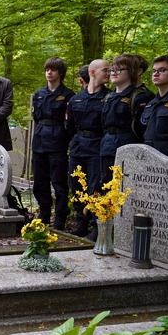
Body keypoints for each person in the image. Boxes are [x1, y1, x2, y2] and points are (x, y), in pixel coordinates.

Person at [66, 58, 110, 238]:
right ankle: (80, 222)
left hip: (97, 147)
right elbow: (69, 126)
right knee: (76, 185)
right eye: (105, 70)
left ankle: (95, 226)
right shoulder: (76, 99)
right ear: (92, 73)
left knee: (95, 186)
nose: (109, 73)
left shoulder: (109, 98)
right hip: (78, 146)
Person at [30, 57, 75, 229]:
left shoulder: (68, 95)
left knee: (59, 182)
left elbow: (70, 122)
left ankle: (60, 217)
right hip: (40, 140)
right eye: (47, 69)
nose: (49, 72)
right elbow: (36, 117)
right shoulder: (39, 94)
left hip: (58, 140)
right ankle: (44, 213)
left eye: (53, 70)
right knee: (40, 181)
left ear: (60, 73)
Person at [100, 55, 154, 183]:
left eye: (119, 70)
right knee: (105, 186)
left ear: (132, 71)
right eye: (112, 70)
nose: (113, 73)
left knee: (125, 187)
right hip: (107, 147)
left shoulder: (140, 96)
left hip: (128, 147)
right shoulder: (109, 96)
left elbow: (143, 128)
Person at [140, 55, 168, 158]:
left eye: (162, 70)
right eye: (154, 71)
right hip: (149, 157)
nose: (156, 74)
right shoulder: (152, 103)